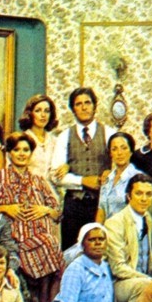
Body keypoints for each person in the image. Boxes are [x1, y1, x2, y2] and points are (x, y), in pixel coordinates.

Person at [0, 132, 65, 302]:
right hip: (14, 237)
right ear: (9, 153)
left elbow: (57, 213)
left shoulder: (39, 180)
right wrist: (5, 208)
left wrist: (44, 209)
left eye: (26, 150)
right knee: (47, 247)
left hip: (40, 235)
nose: (22, 154)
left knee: (50, 247)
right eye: (17, 150)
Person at [51, 87, 115, 250]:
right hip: (74, 206)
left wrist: (110, 172)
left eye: (87, 103)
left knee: (101, 250)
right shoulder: (64, 136)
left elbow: (121, 165)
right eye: (78, 104)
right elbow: (55, 176)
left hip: (102, 204)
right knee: (71, 251)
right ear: (73, 109)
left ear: (94, 106)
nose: (84, 107)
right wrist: (82, 181)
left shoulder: (109, 133)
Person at [104, 173, 152, 302]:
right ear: (128, 196)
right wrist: (150, 280)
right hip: (117, 285)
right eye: (139, 193)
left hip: (144, 280)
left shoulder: (149, 219)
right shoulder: (115, 223)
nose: (144, 198)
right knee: (145, 285)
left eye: (148, 194)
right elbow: (118, 268)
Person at [95, 132, 144, 223]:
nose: (119, 153)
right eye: (114, 149)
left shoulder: (138, 178)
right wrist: (98, 229)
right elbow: (101, 210)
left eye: (124, 148)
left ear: (131, 151)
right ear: (110, 153)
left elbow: (139, 212)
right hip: (107, 229)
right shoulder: (107, 178)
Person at [18, 94, 60, 184]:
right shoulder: (21, 140)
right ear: (30, 114)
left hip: (52, 190)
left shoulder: (55, 141)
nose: (43, 115)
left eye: (47, 111)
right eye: (38, 111)